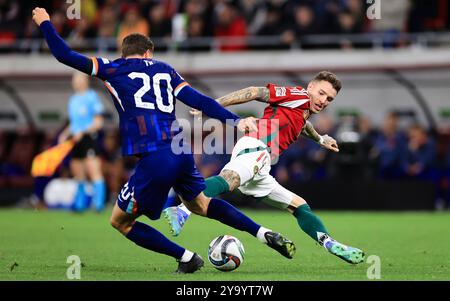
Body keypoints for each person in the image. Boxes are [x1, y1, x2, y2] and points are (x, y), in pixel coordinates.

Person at [32, 7, 295, 274]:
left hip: (155, 156)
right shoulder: (165, 70)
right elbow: (199, 101)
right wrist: (236, 121)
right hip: (180, 151)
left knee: (120, 221)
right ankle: (263, 233)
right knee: (200, 203)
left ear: (125, 52)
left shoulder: (112, 68)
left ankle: (186, 257)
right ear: (148, 53)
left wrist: (44, 23)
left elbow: (64, 54)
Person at [163, 71, 365, 264]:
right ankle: (181, 210)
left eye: (329, 99)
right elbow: (256, 92)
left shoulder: (302, 109)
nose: (323, 101)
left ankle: (329, 243)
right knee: (230, 178)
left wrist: (320, 139)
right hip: (256, 147)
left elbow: (302, 126)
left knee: (299, 206)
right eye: (321, 93)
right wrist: (213, 105)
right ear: (310, 87)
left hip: (263, 164)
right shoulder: (298, 95)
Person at [58, 72, 106, 212]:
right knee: (78, 172)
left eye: (78, 79)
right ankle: (80, 205)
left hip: (88, 139)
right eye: (74, 79)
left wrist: (83, 132)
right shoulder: (73, 100)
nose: (76, 82)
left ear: (85, 80)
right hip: (75, 140)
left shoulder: (92, 97)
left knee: (94, 171)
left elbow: (99, 122)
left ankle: (99, 205)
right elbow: (74, 123)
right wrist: (64, 134)